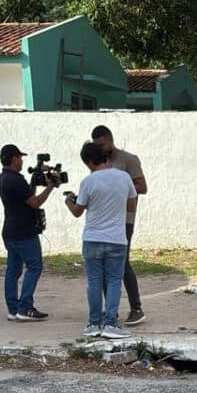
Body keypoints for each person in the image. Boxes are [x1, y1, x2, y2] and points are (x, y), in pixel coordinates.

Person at [66, 141, 137, 340]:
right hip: (117, 239)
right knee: (114, 281)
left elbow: (78, 212)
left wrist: (69, 202)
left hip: (92, 238)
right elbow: (130, 206)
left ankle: (93, 323)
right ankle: (111, 323)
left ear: (89, 161)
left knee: (94, 282)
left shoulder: (88, 182)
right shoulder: (124, 178)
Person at [92, 126, 148, 326]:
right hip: (106, 219)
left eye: (102, 144)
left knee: (122, 263)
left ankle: (136, 308)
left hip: (125, 219)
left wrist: (120, 186)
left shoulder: (128, 160)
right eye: (96, 146)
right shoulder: (101, 162)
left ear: (110, 140)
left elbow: (143, 187)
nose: (100, 149)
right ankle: (111, 311)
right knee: (108, 265)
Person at [0, 144, 56, 322]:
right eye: (20, 158)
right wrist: (50, 186)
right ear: (14, 158)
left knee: (13, 271)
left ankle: (13, 309)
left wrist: (36, 177)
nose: (22, 161)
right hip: (24, 232)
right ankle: (25, 307)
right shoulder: (16, 180)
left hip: (10, 230)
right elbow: (34, 202)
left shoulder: (3, 178)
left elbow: (23, 196)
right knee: (35, 266)